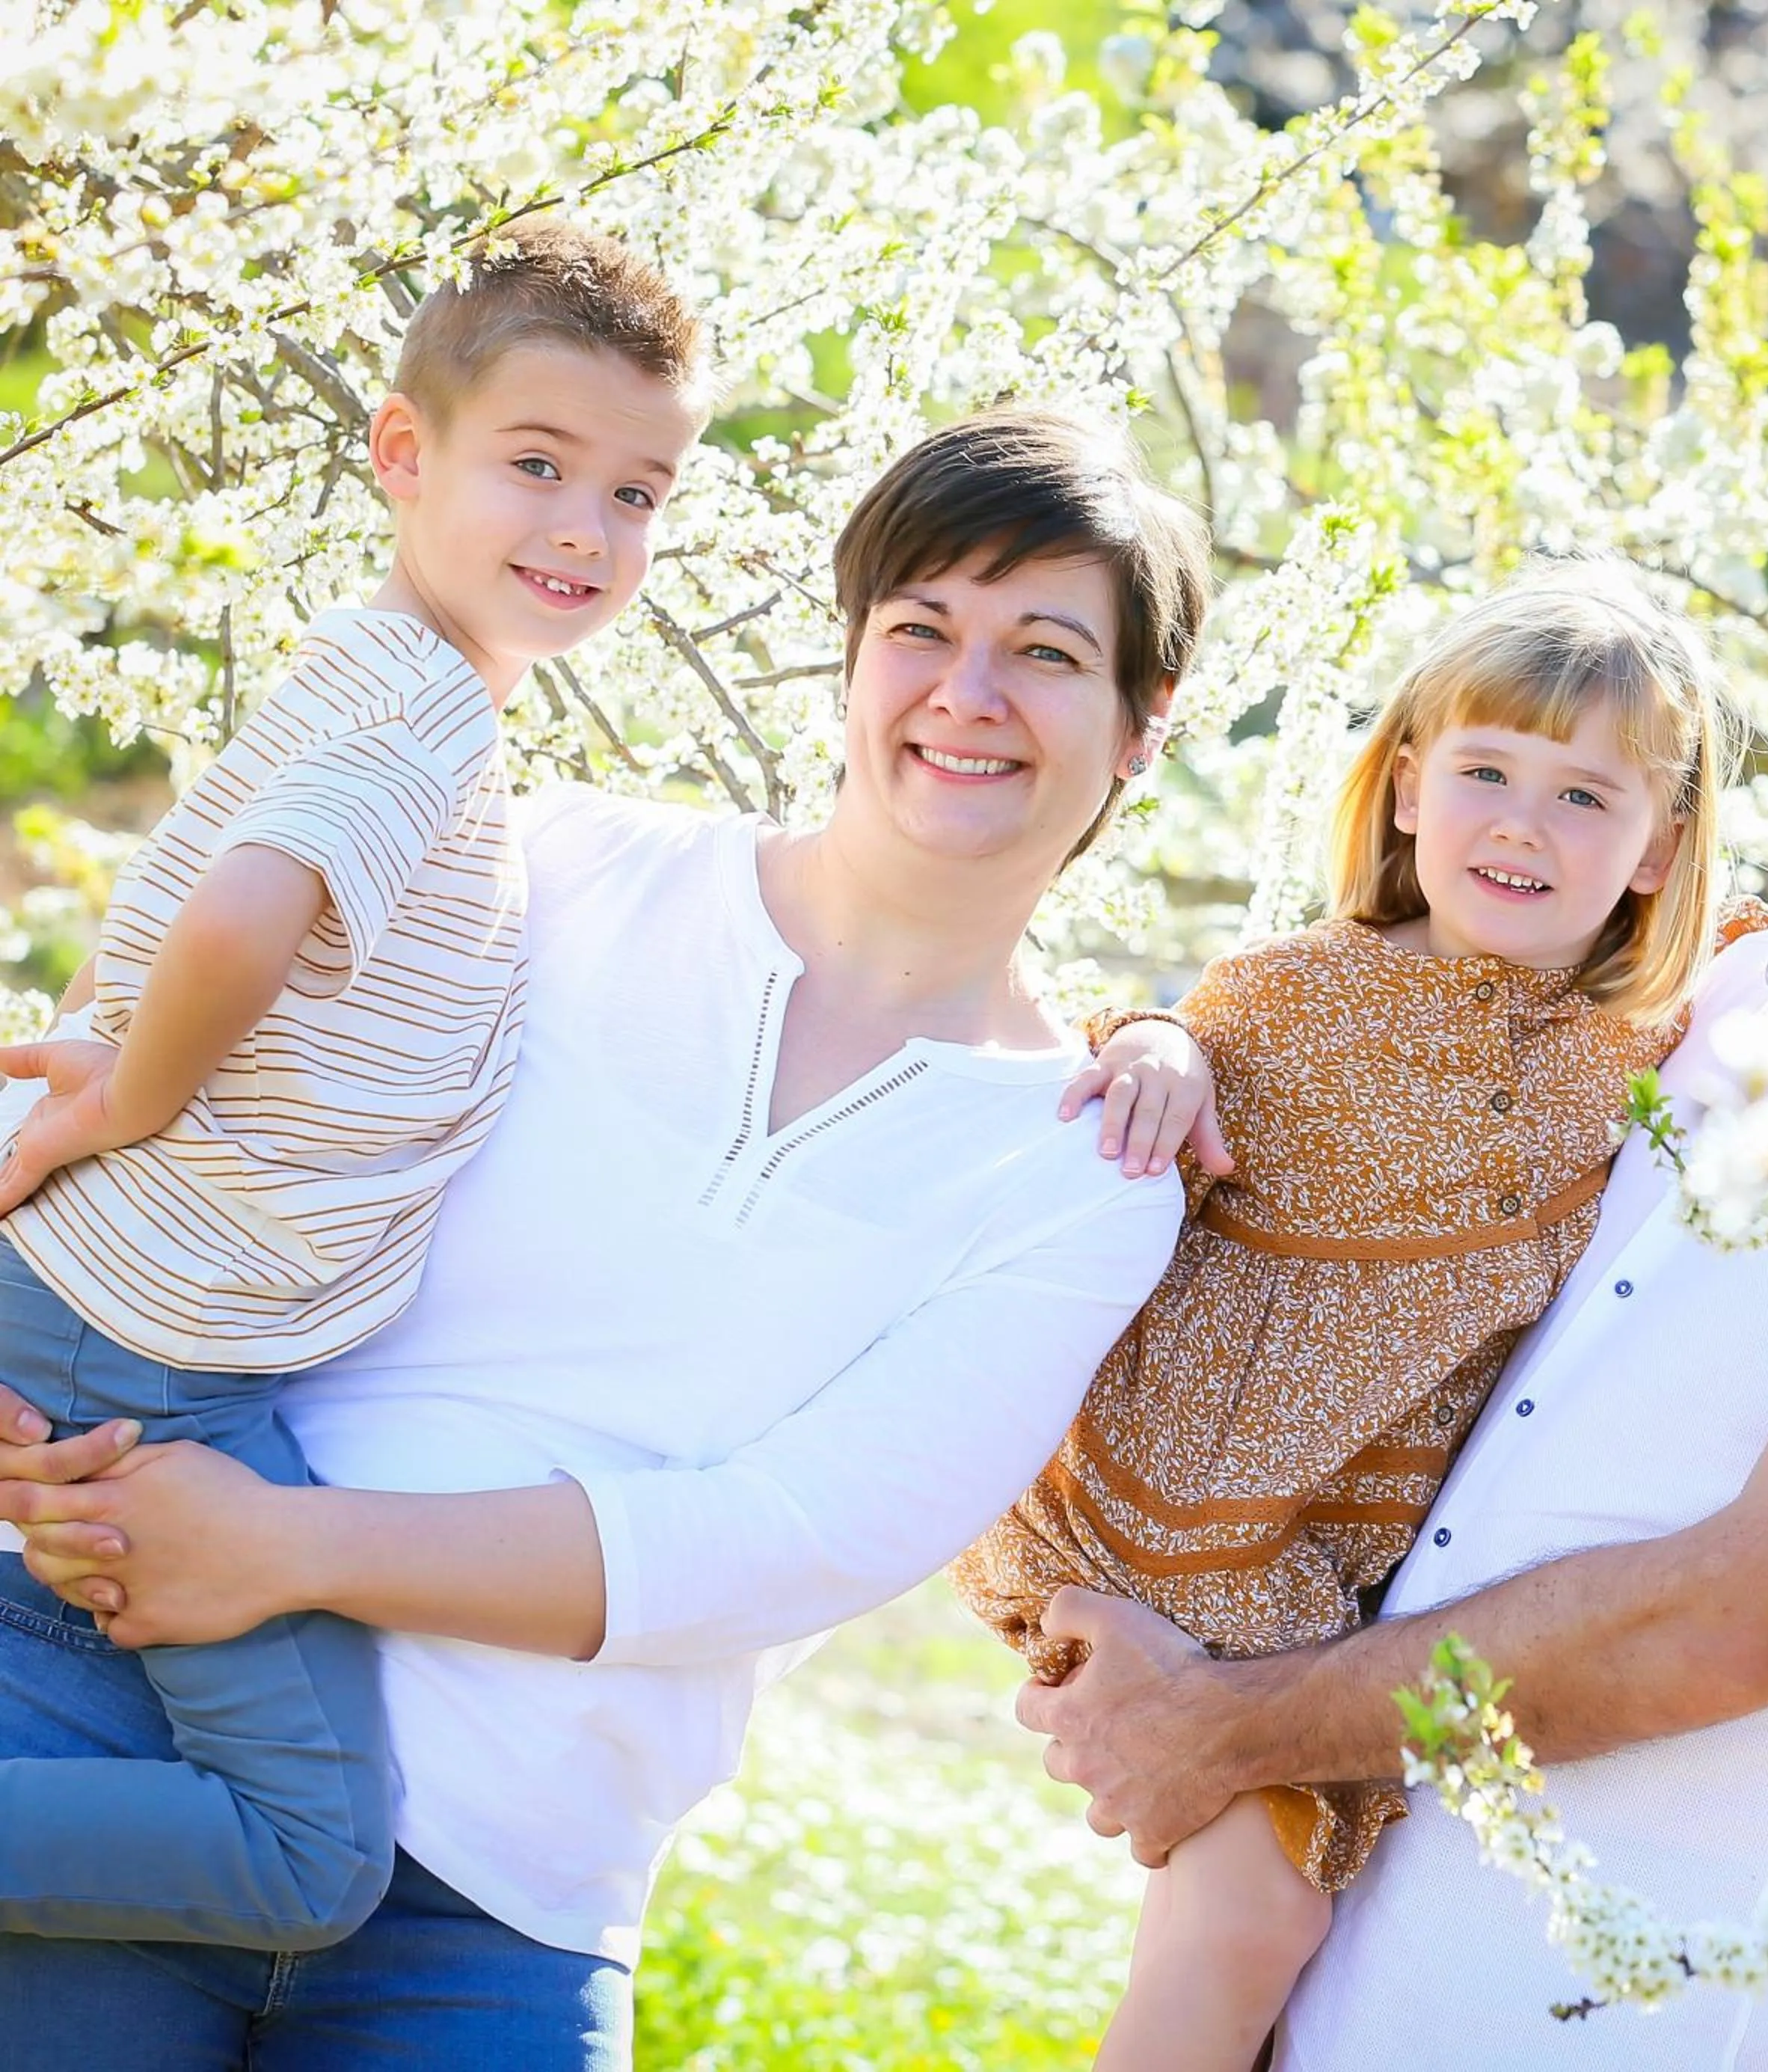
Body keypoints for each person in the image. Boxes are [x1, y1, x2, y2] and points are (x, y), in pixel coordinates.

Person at [1012, 371, 1768, 2069]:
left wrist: (1223, 1722)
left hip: (1597, 2018)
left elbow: (1731, 1620)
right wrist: (1156, 1046)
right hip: (1334, 1944)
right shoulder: (1739, 973)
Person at [0, 408, 1206, 2068]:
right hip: (106, 1721)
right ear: (850, 657)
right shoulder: (553, 861)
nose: (967, 692)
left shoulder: (1088, 1169)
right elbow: (139, 1060)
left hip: (500, 1904)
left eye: (1047, 652)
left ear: (1143, 724)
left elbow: (782, 1537)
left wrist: (290, 1546)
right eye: (921, 627)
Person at [0, 219, 709, 1951]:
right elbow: (244, 911)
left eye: (637, 493)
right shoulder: (428, 718)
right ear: (404, 453)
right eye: (536, 464)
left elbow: (209, 891)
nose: (583, 529)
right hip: (155, 1345)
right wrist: (121, 1105)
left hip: (121, 1301)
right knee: (306, 1857)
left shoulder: (380, 668)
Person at [952, 562, 1746, 2070]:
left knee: (1287, 1971)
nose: (1523, 821)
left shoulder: (1637, 1051)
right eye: (1487, 771)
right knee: (1249, 1926)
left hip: (1334, 1559)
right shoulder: (1302, 994)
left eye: (1587, 798)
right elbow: (1157, 1044)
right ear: (1401, 790)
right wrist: (1162, 1040)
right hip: (1187, 1523)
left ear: (1658, 854)